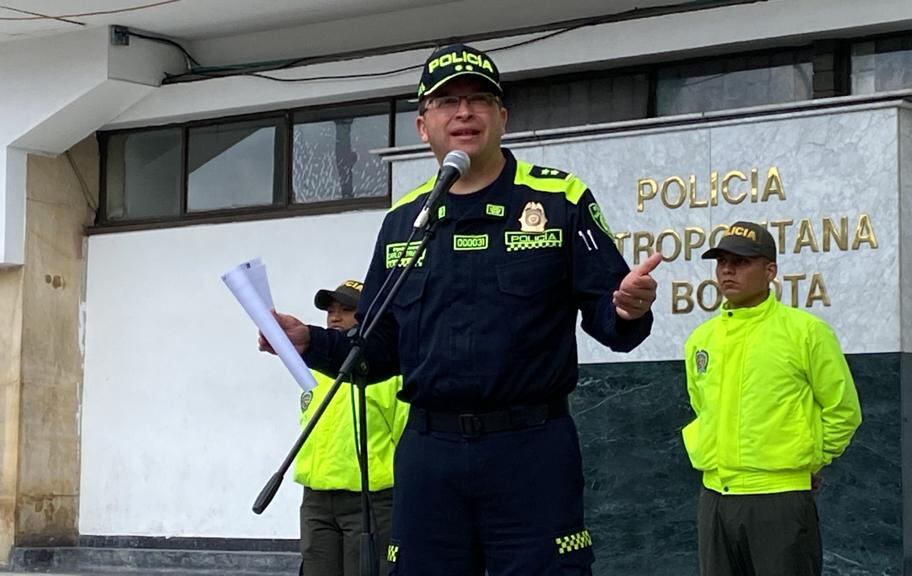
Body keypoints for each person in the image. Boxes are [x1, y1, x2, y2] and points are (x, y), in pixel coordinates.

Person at [261, 42, 662, 575]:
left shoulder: (560, 200)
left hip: (531, 451)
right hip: (431, 455)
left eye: (478, 99)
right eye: (447, 102)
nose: (464, 112)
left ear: (502, 116)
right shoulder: (405, 220)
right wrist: (310, 341)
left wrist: (630, 310)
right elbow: (380, 350)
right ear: (423, 125)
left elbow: (613, 322)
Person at [681, 221, 862, 576]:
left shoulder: (806, 332)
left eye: (742, 261)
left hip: (779, 499)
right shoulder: (701, 339)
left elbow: (843, 410)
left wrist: (814, 457)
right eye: (721, 262)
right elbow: (701, 406)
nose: (728, 270)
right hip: (715, 498)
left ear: (770, 271)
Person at [295, 279, 408, 576]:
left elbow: (406, 443)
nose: (334, 317)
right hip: (317, 501)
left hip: (370, 502)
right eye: (330, 310)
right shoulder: (317, 370)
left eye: (346, 310)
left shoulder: (391, 375)